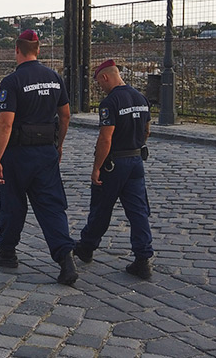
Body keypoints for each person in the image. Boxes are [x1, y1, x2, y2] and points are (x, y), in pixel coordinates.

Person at [0, 30, 78, 286]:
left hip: (17, 153)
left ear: (17, 50)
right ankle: (65, 258)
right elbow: (66, 115)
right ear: (38, 50)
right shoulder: (54, 78)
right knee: (51, 205)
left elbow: (6, 124)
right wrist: (58, 145)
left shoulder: (12, 81)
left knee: (13, 204)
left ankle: (7, 251)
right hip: (46, 151)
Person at [73, 59, 155, 280]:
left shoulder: (110, 102)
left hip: (114, 163)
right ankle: (143, 258)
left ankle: (87, 247)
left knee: (101, 207)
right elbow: (147, 130)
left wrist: (96, 168)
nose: (99, 86)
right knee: (138, 211)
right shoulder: (141, 98)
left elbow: (105, 139)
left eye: (99, 82)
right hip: (136, 161)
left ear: (106, 77)